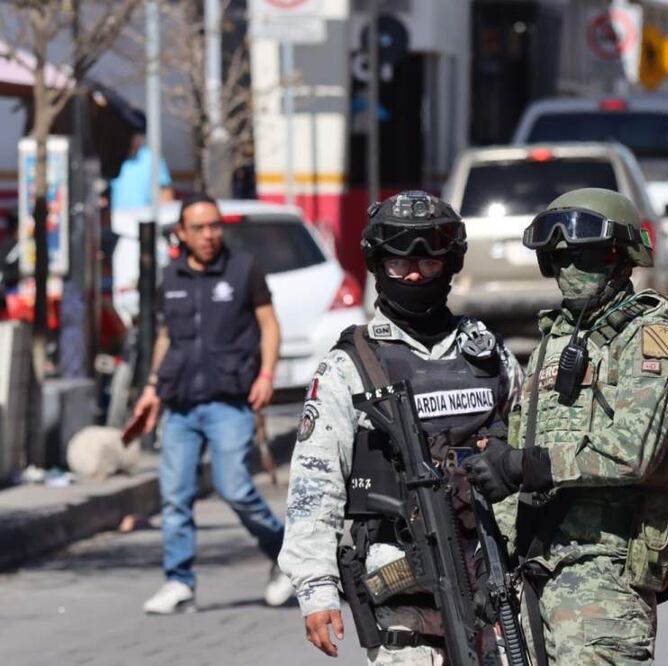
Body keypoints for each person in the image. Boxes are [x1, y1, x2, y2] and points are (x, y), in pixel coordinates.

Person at [278, 191, 522, 663]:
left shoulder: (487, 354)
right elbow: (314, 485)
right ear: (377, 266)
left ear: (450, 264)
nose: (414, 275)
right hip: (403, 598)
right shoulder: (350, 367)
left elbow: (531, 444)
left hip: (492, 581)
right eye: (399, 263)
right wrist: (316, 589)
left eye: (429, 263)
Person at [465, 188, 668, 664]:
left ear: (620, 258)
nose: (569, 269)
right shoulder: (555, 338)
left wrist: (524, 465)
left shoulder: (651, 335)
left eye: (585, 256)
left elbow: (633, 452)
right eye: (558, 258)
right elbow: (521, 447)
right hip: (533, 572)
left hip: (604, 577)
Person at [133, 194, 291, 614]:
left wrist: (266, 375)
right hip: (181, 403)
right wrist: (152, 387)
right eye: (199, 228)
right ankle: (179, 581)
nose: (208, 235)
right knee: (175, 495)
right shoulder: (172, 276)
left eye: (214, 226)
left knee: (235, 488)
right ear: (182, 233)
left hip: (230, 400)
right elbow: (167, 337)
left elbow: (269, 324)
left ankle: (286, 559)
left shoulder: (243, 269)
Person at [110, 132, 175, 210]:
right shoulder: (110, 156)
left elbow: (165, 191)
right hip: (115, 214)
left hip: (145, 215)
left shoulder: (151, 157)